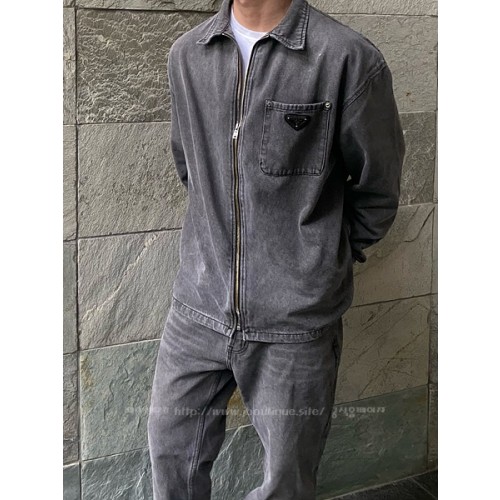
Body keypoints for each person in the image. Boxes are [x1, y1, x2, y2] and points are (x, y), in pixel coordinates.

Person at [147, 0, 405, 498]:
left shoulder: (345, 57)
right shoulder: (188, 54)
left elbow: (378, 188)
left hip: (294, 321)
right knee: (170, 458)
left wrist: (318, 260)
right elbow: (190, 165)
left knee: (287, 481)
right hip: (197, 308)